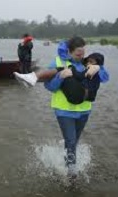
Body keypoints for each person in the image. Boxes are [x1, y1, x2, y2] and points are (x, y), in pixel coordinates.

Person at [20, 37, 109, 178]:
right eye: (78, 54)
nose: (81, 57)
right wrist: (60, 77)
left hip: (84, 110)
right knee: (71, 141)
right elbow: (49, 87)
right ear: (69, 51)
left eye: (83, 53)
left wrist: (98, 67)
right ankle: (71, 172)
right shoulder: (58, 62)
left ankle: (68, 158)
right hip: (64, 110)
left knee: (73, 142)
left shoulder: (88, 63)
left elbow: (104, 78)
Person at [14, 52, 109, 104]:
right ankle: (32, 79)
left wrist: (98, 68)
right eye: (88, 61)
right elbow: (50, 87)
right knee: (61, 72)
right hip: (74, 102)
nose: (88, 63)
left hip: (80, 98)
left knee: (62, 70)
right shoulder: (89, 66)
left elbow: (82, 77)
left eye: (91, 62)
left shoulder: (92, 68)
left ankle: (33, 78)